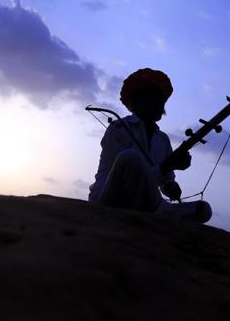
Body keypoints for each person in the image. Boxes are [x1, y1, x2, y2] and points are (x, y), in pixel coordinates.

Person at [88, 68, 212, 223]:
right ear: (139, 102)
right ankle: (164, 214)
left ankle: (164, 213)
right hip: (111, 199)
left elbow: (164, 182)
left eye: (162, 101)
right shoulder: (118, 128)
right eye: (156, 100)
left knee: (204, 209)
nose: (161, 105)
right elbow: (128, 177)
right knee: (130, 158)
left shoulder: (163, 139)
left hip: (146, 204)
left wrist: (171, 186)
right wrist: (165, 166)